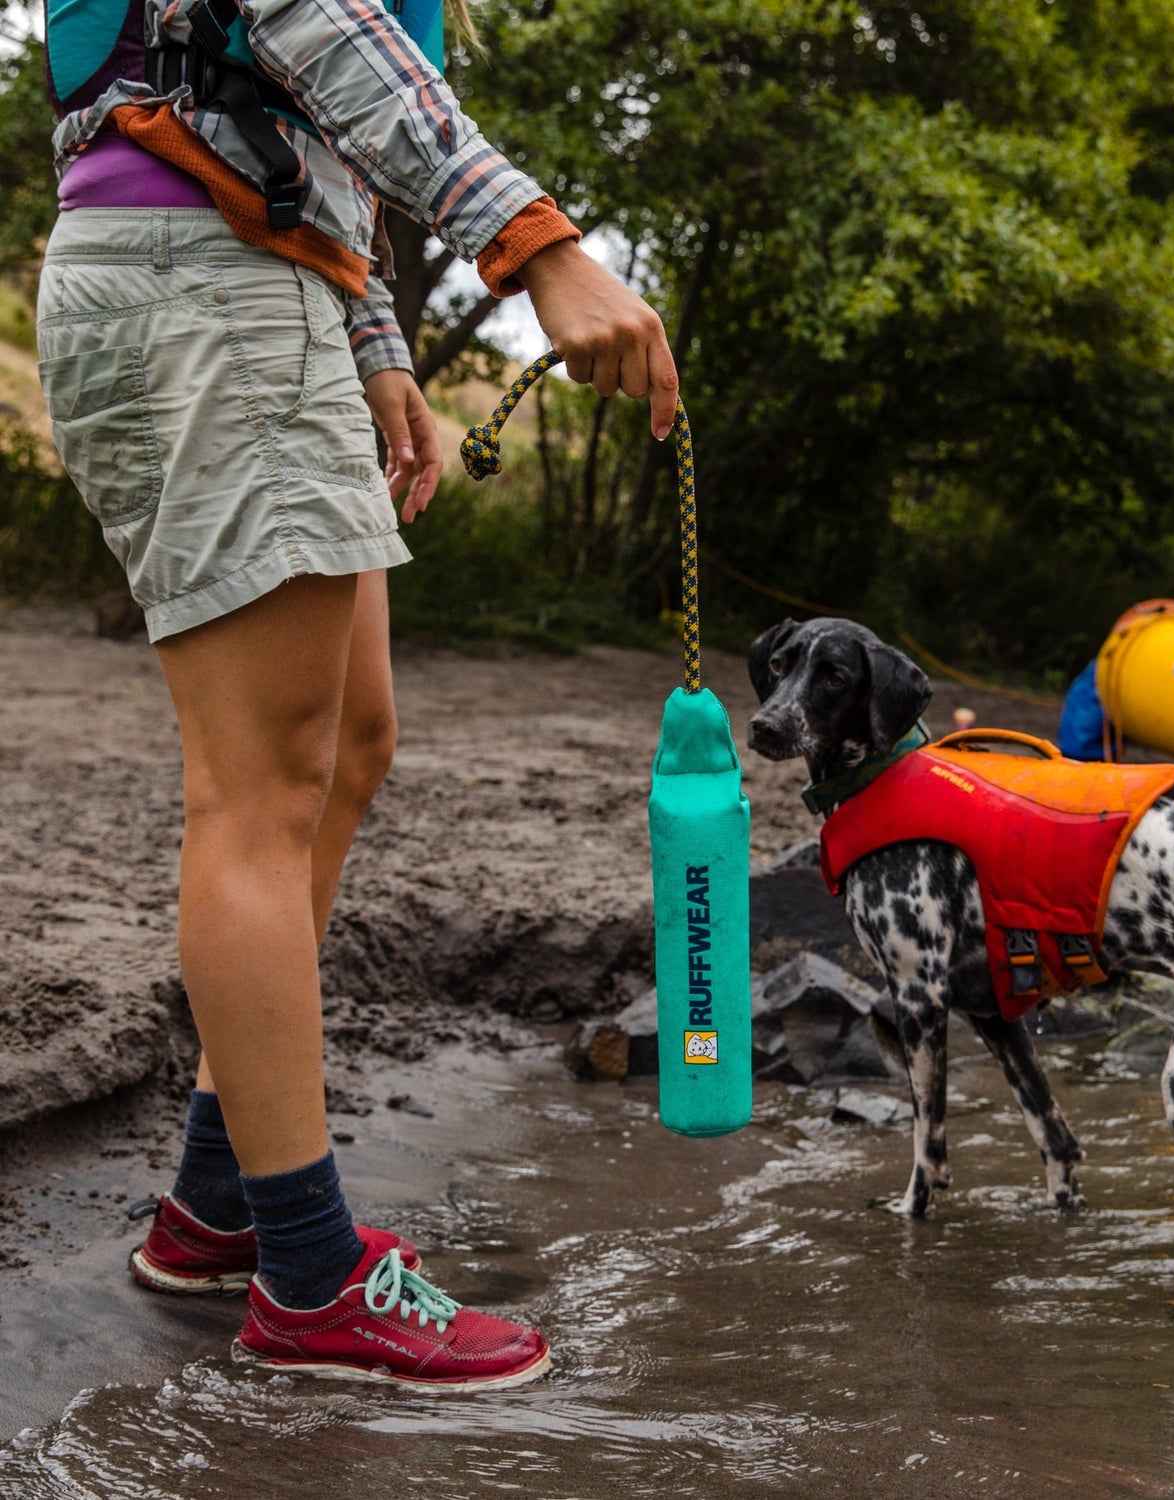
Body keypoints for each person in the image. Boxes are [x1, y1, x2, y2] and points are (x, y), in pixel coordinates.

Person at [38, 0, 678, 1388]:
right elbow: (307, 19)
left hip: (259, 278)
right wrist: (538, 248)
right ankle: (313, 1284)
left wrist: (374, 341)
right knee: (259, 791)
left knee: (352, 745)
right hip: (200, 284)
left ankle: (221, 1206)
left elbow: (285, 117)